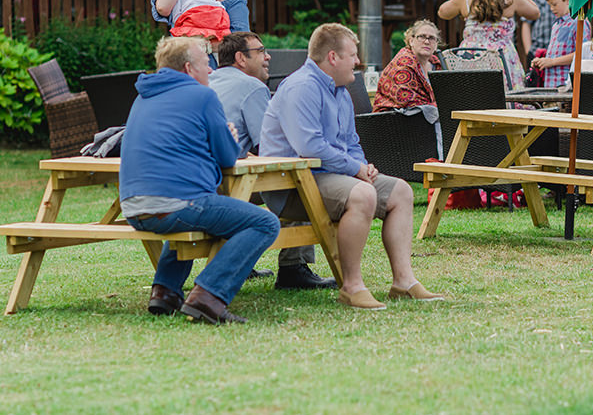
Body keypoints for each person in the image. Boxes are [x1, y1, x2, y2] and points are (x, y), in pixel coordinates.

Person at [259, 23, 444, 310]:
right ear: (332, 57)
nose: (357, 62)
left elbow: (350, 141)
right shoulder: (301, 87)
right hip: (292, 184)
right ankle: (352, 286)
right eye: (352, 55)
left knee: (401, 192)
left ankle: (404, 282)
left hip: (330, 177)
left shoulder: (339, 91)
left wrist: (362, 166)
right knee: (363, 194)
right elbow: (310, 147)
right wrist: (355, 170)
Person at [119, 36, 280, 324]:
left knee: (200, 214)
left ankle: (165, 292)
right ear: (188, 68)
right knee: (265, 222)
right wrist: (230, 138)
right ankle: (208, 296)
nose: (211, 70)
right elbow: (228, 158)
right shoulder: (202, 96)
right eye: (206, 64)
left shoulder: (142, 97)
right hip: (175, 204)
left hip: (132, 206)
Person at [209, 32, 338, 290]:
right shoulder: (252, 87)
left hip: (203, 179)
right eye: (260, 51)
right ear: (240, 59)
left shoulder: (207, 81)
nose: (268, 57)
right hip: (227, 180)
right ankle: (293, 268)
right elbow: (270, 147)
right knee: (296, 182)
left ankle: (241, 262)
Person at [437, 0, 539, 91]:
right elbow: (535, 13)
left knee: (474, 96)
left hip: (471, 55)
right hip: (501, 55)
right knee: (502, 95)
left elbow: (442, 12)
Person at [531, 0, 590, 88]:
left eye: (555, 4)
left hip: (567, 85)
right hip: (551, 84)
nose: (552, 9)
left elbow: (583, 54)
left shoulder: (579, 22)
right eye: (550, 5)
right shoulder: (556, 24)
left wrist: (552, 62)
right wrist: (542, 61)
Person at [373, 19, 441, 111]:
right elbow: (408, 103)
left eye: (432, 38)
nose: (427, 42)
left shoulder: (437, 64)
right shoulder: (403, 63)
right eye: (422, 36)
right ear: (411, 41)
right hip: (394, 120)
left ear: (436, 44)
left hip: (426, 118)